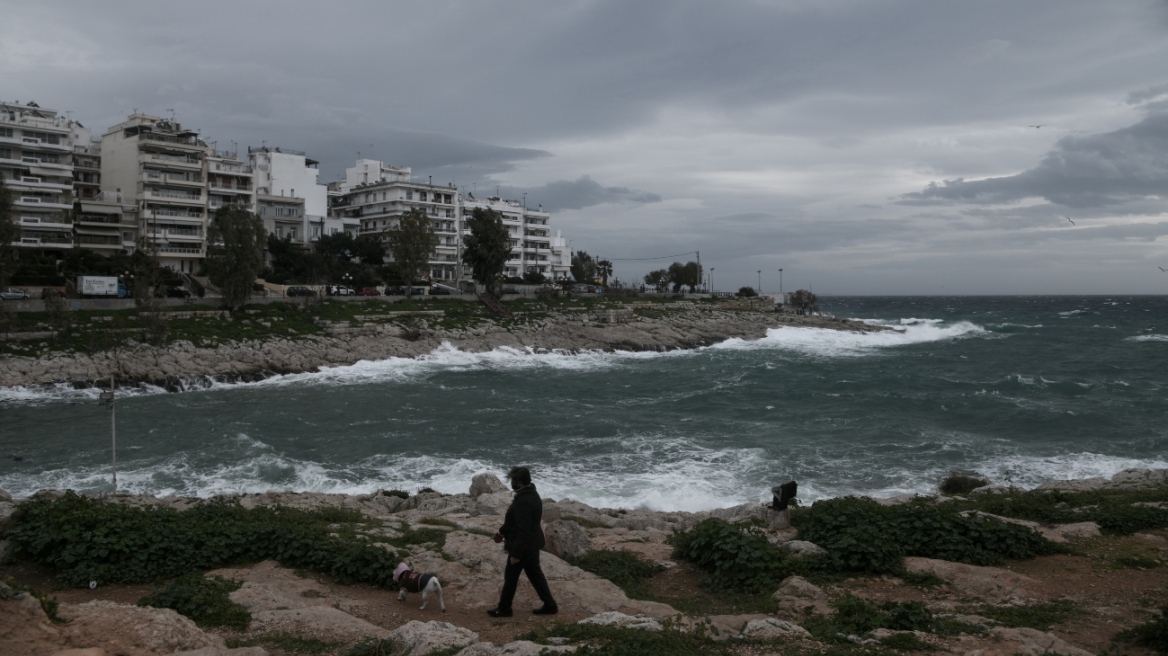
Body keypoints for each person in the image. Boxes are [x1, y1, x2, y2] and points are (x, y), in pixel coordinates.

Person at [487, 466, 558, 617]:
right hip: (533, 544)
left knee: (511, 577)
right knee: (535, 574)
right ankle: (550, 605)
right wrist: (501, 532)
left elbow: (523, 530)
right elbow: (517, 523)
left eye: (513, 480)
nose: (511, 483)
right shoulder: (532, 494)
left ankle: (504, 609)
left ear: (518, 481)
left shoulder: (522, 501)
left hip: (523, 546)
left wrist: (516, 553)